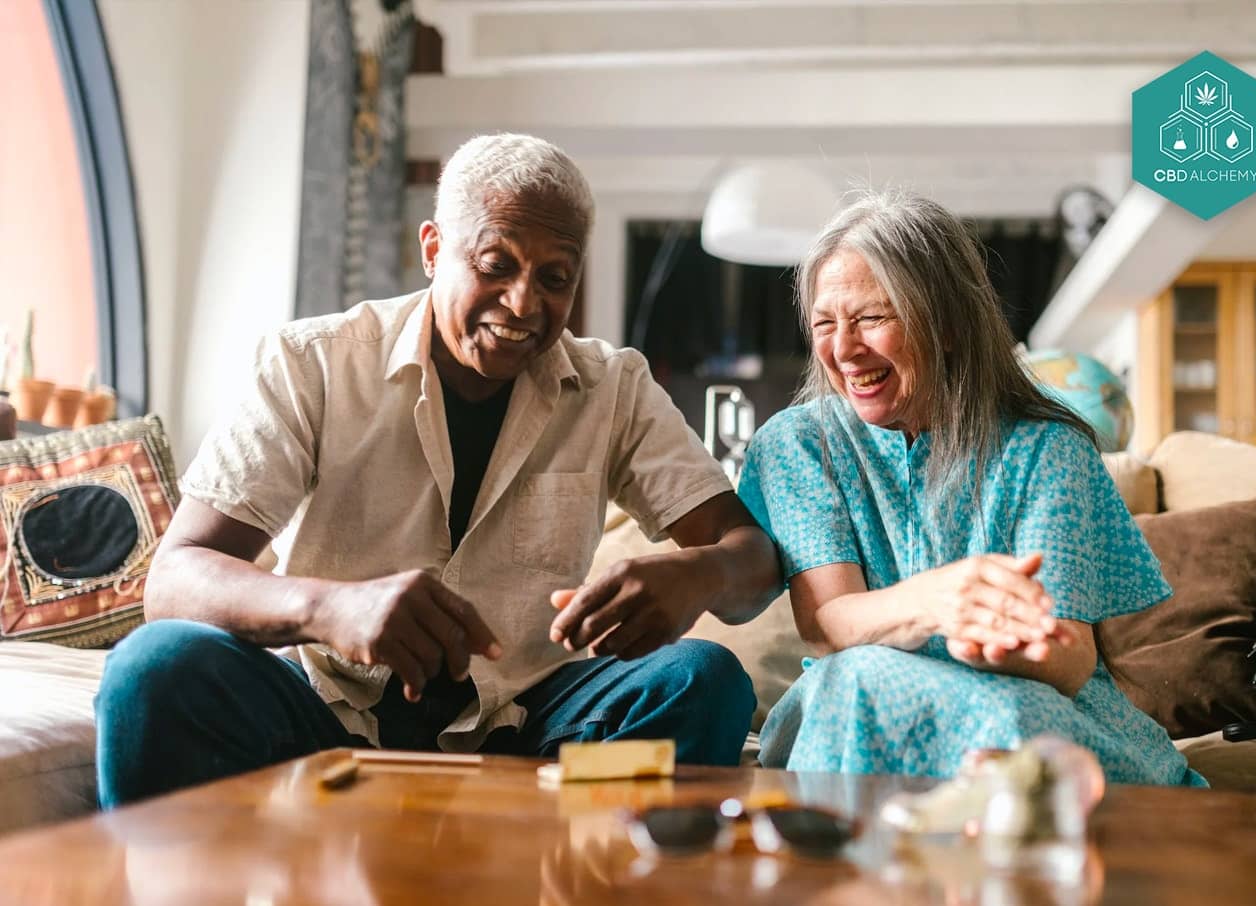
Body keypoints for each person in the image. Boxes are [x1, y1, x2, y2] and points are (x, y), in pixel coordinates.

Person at [96, 133, 781, 806]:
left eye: (554, 278)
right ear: (432, 251)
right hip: (326, 722)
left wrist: (700, 573)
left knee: (704, 680)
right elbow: (176, 578)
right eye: (495, 265)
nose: (523, 303)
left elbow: (750, 561)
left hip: (533, 733)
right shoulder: (312, 364)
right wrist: (328, 607)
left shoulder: (616, 389)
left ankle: (573, 881)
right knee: (153, 670)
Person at [736, 189, 1203, 786]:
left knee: (1010, 722)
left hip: (1023, 702)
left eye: (873, 318)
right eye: (825, 324)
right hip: (854, 704)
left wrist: (1010, 650)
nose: (844, 349)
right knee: (853, 679)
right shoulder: (798, 445)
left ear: (949, 324)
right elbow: (829, 626)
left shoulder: (1047, 448)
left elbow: (1071, 659)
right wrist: (938, 602)